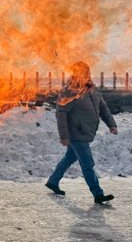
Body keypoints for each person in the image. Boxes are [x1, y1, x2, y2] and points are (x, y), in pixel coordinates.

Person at [45, 61, 118, 205]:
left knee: (69, 158)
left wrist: (111, 124)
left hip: (86, 131)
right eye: (83, 73)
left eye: (87, 73)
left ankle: (53, 181)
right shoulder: (69, 92)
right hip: (76, 133)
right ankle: (98, 194)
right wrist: (64, 136)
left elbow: (103, 109)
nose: (86, 76)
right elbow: (61, 114)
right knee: (87, 163)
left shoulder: (92, 90)